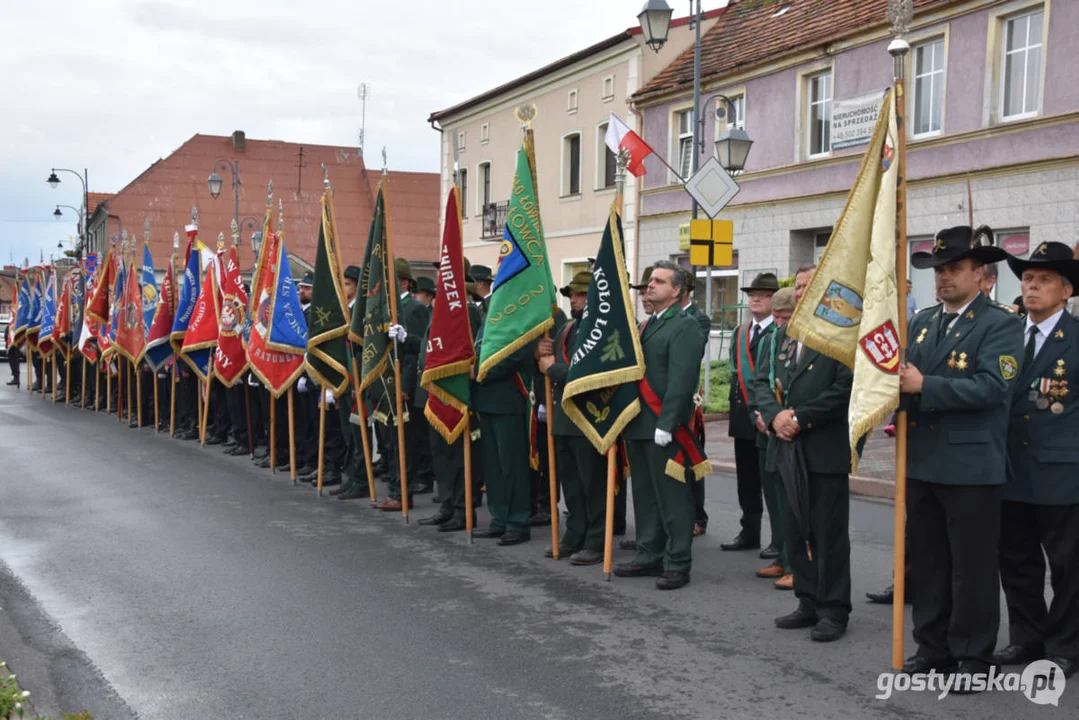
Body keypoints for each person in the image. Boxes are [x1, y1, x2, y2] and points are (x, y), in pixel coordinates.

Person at [899, 226, 1023, 686]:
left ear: (981, 275)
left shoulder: (1001, 323)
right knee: (928, 562)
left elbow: (994, 388)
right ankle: (932, 647)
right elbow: (905, 378)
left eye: (953, 269)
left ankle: (973, 655)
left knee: (971, 567)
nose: (943, 277)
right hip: (923, 460)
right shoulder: (923, 321)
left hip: (971, 466)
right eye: (939, 270)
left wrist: (924, 386)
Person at [992, 242, 1079, 680]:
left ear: (1066, 291)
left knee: (1068, 566)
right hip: (1008, 469)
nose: (1032, 286)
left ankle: (1065, 646)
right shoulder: (1006, 333)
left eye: (1044, 279)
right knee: (1017, 561)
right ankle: (1027, 637)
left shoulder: (1076, 338)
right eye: (1027, 278)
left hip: (1061, 473)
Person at [754, 264, 854, 642]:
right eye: (796, 287)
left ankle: (833, 609)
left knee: (827, 534)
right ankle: (807, 600)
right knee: (793, 530)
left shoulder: (840, 338)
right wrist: (774, 414)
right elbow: (762, 381)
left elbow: (845, 388)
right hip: (785, 447)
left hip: (821, 448)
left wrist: (799, 417)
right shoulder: (784, 335)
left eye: (808, 286)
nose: (798, 293)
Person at [613, 261, 705, 590]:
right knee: (645, 494)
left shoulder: (685, 325)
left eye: (659, 281)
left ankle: (678, 561)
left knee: (672, 496)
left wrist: (667, 423)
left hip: (664, 427)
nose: (650, 285)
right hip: (638, 424)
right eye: (650, 280)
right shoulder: (647, 325)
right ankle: (649, 553)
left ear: (677, 290)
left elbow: (682, 380)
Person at [537, 271, 605, 565]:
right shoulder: (566, 329)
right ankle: (575, 533)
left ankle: (596, 538)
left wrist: (551, 369)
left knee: (593, 484)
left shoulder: (599, 331)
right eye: (571, 296)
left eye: (579, 295)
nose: (573, 300)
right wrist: (537, 352)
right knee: (571, 484)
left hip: (588, 417)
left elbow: (586, 374)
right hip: (563, 417)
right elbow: (546, 358)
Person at [721, 272, 778, 554]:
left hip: (767, 418)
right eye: (752, 294)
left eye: (764, 295)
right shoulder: (740, 332)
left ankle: (779, 539)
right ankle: (749, 531)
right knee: (747, 480)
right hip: (744, 416)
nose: (756, 299)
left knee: (772, 481)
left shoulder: (779, 330)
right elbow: (735, 370)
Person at [377, 258, 434, 510]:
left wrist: (406, 387)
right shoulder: (388, 308)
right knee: (391, 441)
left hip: (406, 385)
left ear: (402, 281)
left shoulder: (414, 308)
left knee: (405, 442)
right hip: (388, 381)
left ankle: (403, 493)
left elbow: (421, 347)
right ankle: (394, 489)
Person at [752, 286, 795, 590]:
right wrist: (767, 415)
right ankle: (781, 553)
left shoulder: (813, 340)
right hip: (773, 430)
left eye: (785, 317)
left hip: (795, 429)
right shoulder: (772, 340)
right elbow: (760, 381)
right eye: (776, 317)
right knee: (776, 498)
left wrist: (786, 418)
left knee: (793, 502)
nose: (779, 322)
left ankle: (796, 563)